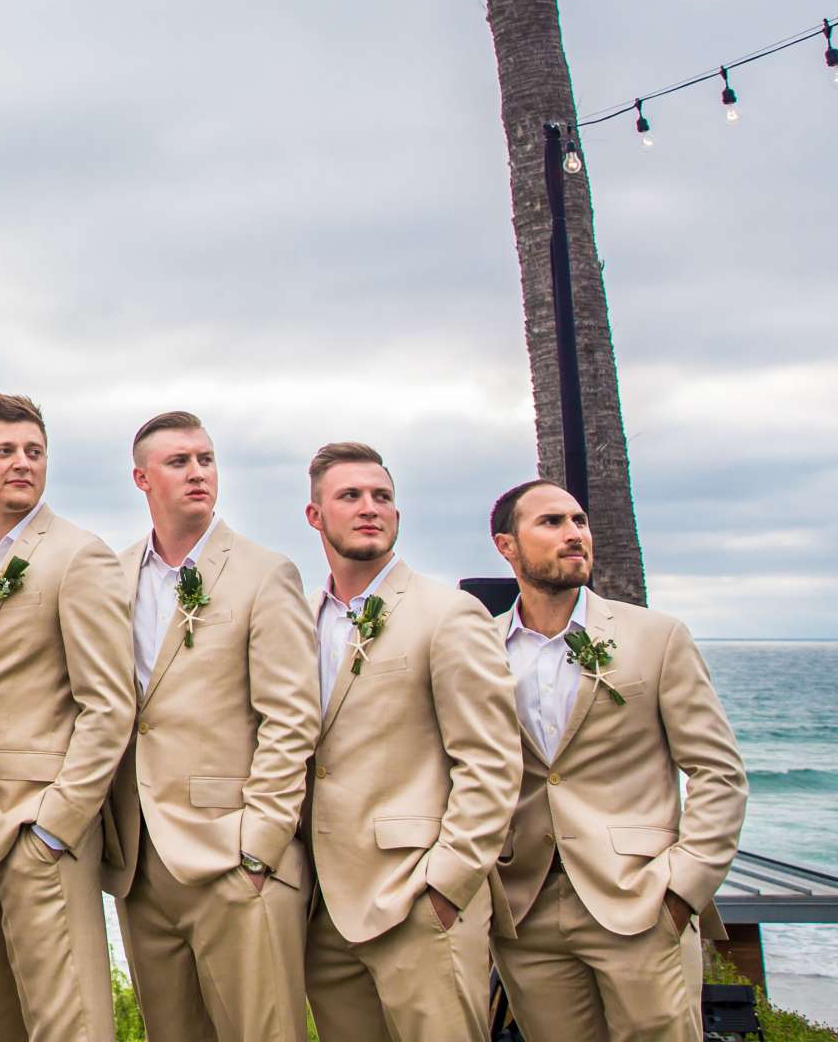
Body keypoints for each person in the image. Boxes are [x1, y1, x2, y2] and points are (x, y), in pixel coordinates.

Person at [486, 481, 748, 1042]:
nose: (574, 534)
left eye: (578, 521)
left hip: (639, 900)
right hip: (525, 907)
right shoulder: (477, 649)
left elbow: (717, 771)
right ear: (506, 546)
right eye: (551, 523)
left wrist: (682, 890)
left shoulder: (656, 638)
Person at [103, 410, 318, 1042]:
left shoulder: (264, 572)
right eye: (179, 462)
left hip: (235, 857)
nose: (198, 472)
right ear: (142, 478)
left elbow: (290, 716)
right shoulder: (112, 577)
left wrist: (260, 846)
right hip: (140, 864)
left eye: (206, 459)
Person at [298, 443, 519, 1042]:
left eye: (383, 497)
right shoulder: (299, 618)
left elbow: (491, 761)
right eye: (350, 496)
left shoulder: (449, 614)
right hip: (323, 912)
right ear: (315, 516)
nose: (371, 508)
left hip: (418, 902)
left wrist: (447, 884)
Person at [0, 394, 134, 1042]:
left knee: (68, 1027)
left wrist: (54, 829)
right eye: (6, 451)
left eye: (34, 452)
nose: (23, 463)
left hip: (37, 834)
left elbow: (108, 705)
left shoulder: (79, 556)